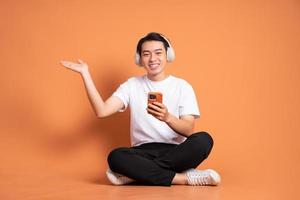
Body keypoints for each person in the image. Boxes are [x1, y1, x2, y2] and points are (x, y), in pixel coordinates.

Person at [60, 32, 221, 186]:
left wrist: (168, 118)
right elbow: (102, 111)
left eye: (158, 53)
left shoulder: (183, 86)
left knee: (204, 140)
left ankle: (135, 175)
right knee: (116, 157)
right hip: (141, 153)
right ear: (139, 58)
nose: (153, 59)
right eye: (146, 54)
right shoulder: (131, 85)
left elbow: (188, 130)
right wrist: (85, 74)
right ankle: (183, 178)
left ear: (167, 55)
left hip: (176, 153)